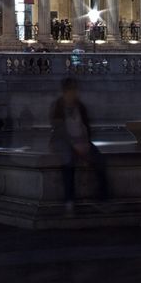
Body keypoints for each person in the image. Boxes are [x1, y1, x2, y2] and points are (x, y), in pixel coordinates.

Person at [49, 77, 109, 212]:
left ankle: (103, 198)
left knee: (100, 160)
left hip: (81, 141)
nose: (74, 93)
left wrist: (86, 143)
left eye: (75, 90)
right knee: (68, 161)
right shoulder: (57, 107)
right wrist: (75, 145)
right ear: (65, 92)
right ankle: (69, 200)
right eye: (72, 90)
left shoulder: (80, 106)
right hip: (63, 141)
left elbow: (87, 127)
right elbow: (59, 131)